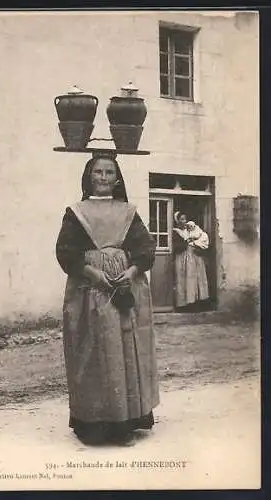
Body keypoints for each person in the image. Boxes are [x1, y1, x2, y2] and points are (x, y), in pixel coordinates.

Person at [55, 153, 160, 446]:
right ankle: (93, 426)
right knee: (93, 352)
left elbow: (145, 247)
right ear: (89, 177)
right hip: (89, 292)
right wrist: (93, 274)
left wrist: (133, 270)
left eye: (109, 173)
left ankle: (124, 425)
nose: (103, 177)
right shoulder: (76, 213)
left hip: (125, 289)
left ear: (117, 179)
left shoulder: (128, 212)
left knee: (124, 353)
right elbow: (65, 252)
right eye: (98, 172)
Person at [173, 211, 210, 310]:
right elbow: (176, 247)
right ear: (177, 221)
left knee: (194, 279)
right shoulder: (176, 231)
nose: (184, 221)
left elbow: (200, 238)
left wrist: (194, 243)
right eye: (181, 219)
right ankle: (183, 304)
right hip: (181, 258)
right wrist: (186, 242)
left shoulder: (191, 229)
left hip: (192, 258)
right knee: (182, 280)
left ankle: (195, 302)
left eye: (185, 219)